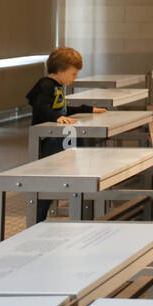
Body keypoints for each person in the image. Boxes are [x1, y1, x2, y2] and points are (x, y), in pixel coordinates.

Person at [25, 47, 105, 223]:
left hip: (55, 137)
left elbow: (63, 109)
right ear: (61, 71)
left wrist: (88, 109)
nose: (75, 78)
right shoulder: (46, 85)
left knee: (80, 143)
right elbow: (41, 108)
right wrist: (57, 117)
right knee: (45, 186)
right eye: (73, 74)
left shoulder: (58, 86)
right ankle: (37, 222)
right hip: (46, 141)